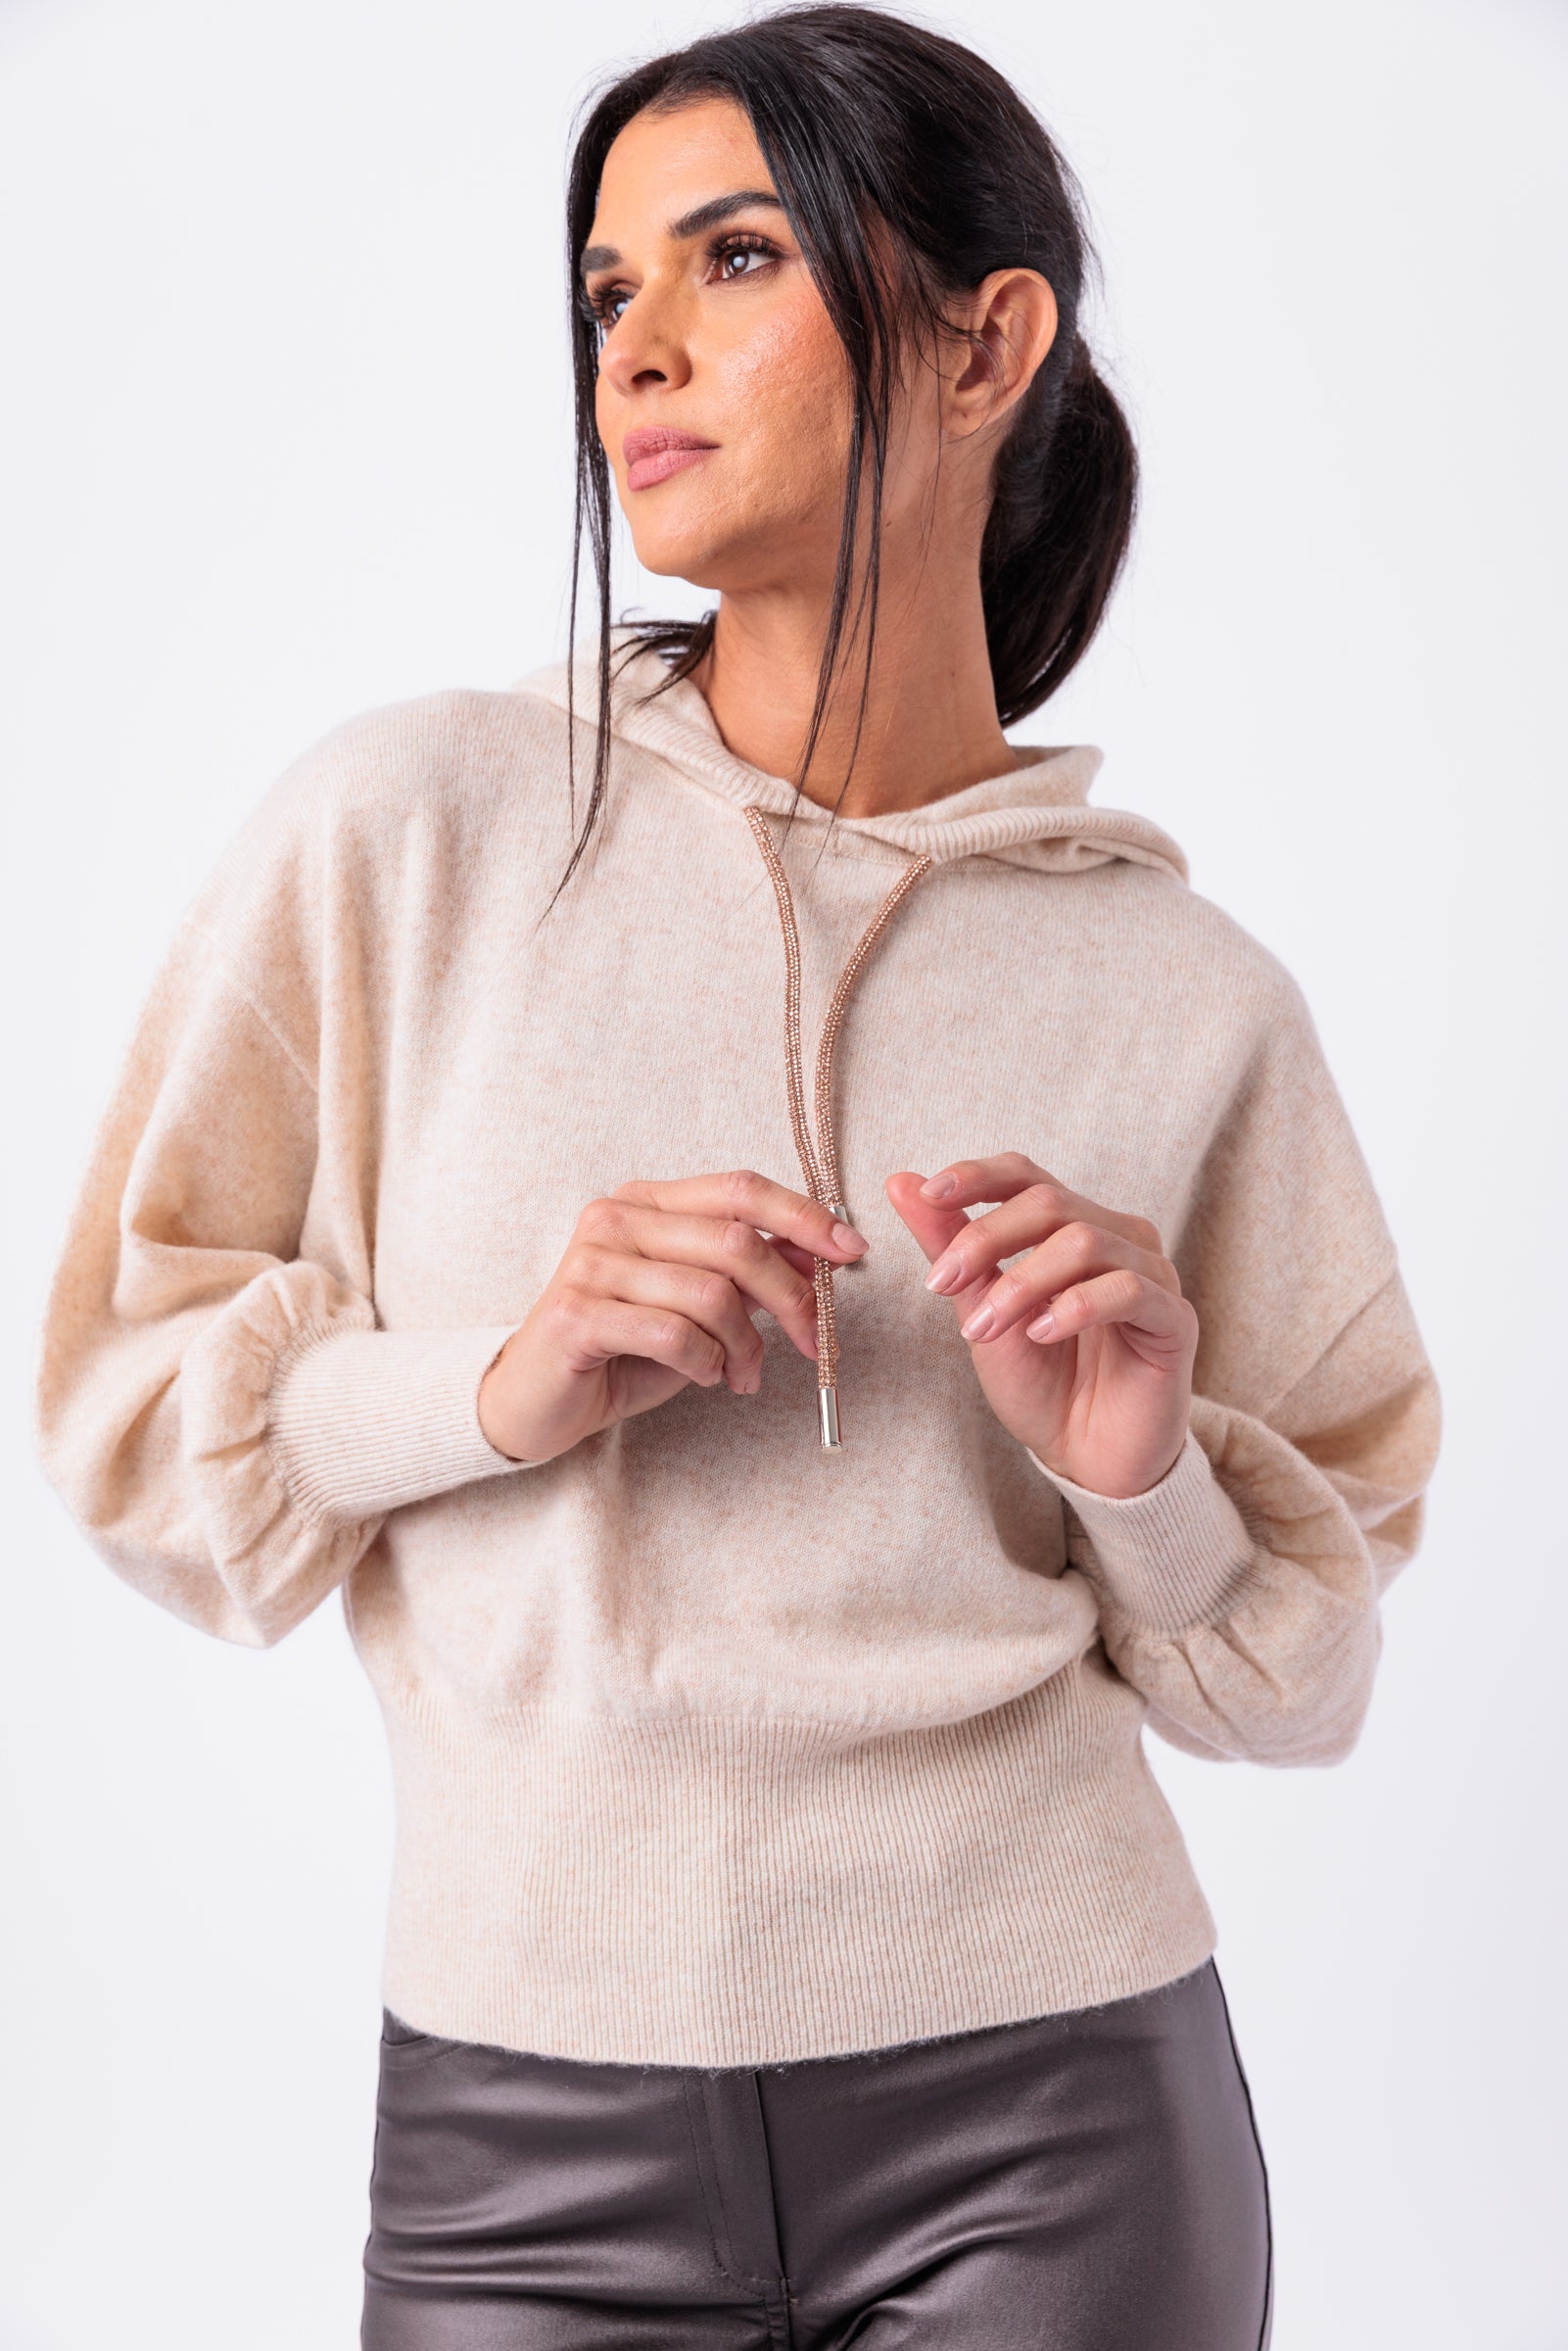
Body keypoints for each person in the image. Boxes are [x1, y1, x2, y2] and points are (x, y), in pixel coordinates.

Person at [35, 7, 1441, 2345]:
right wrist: (495, 1386)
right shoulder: (410, 832)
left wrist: (1138, 1468)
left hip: (1057, 2112)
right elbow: (128, 1433)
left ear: (986, 344)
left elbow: (1301, 1685)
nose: (638, 347)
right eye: (607, 289)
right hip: (517, 2128)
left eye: (738, 256)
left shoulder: (1190, 996)